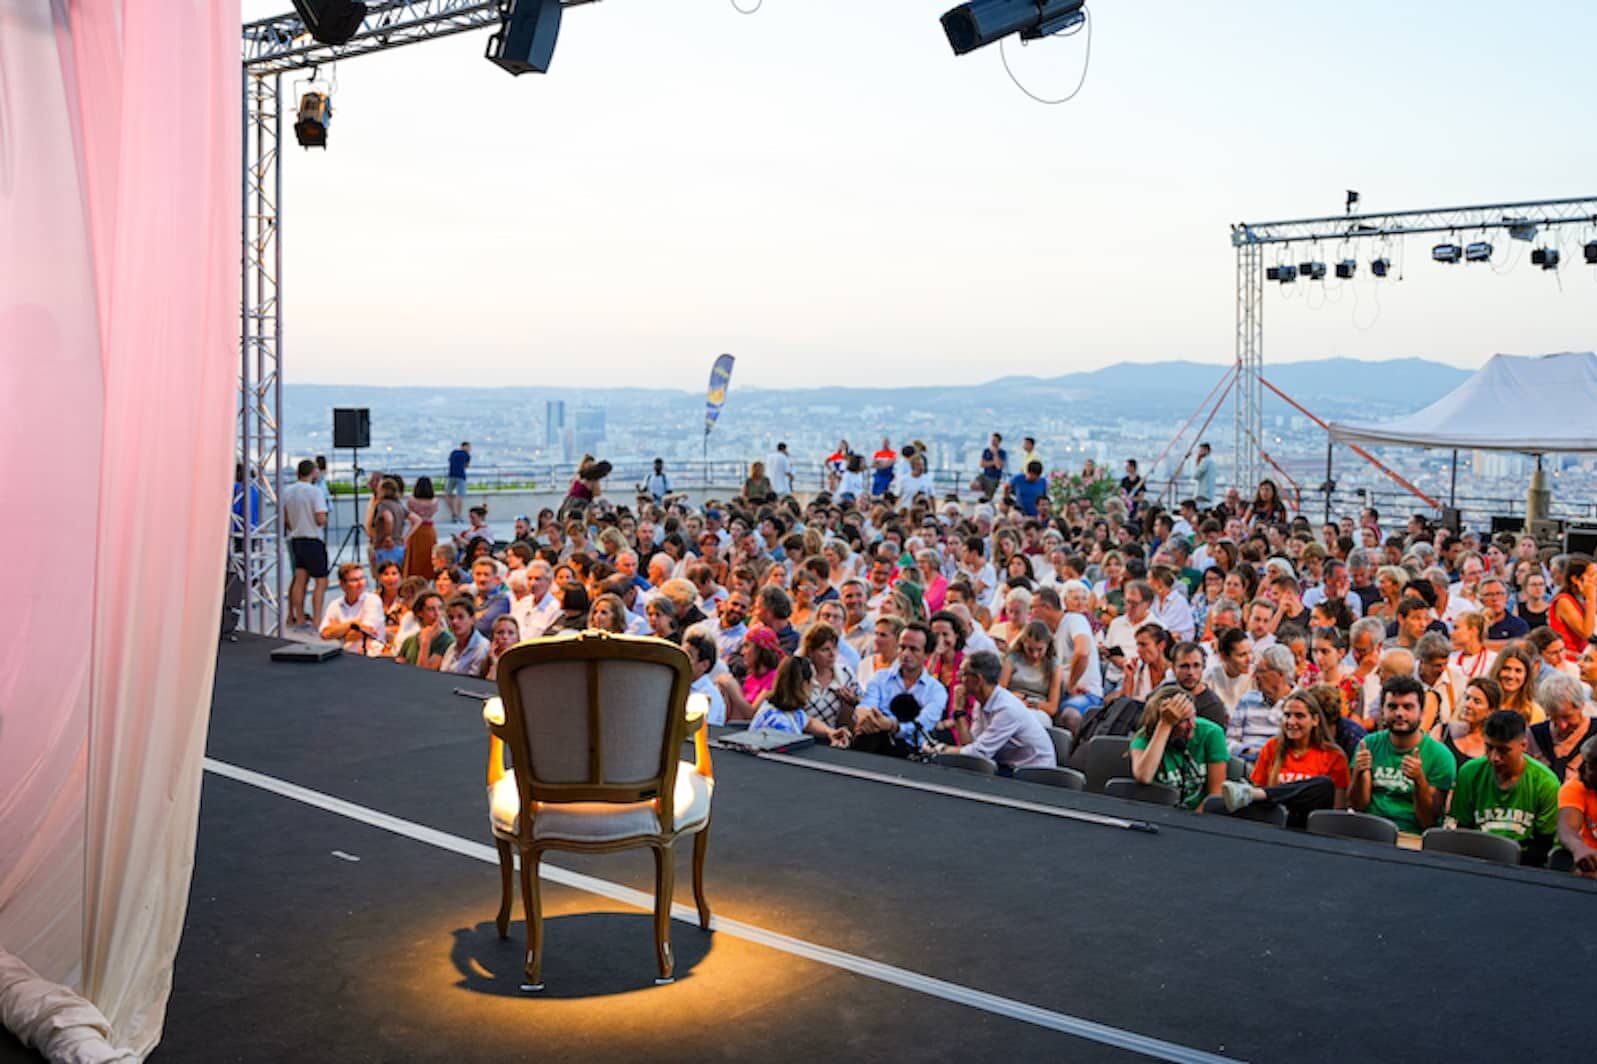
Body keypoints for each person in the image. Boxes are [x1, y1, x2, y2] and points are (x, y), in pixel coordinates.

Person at [1220, 688, 1348, 827]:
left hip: (1309, 826)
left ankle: (1258, 794)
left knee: (1324, 784)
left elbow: (1337, 809)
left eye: (1299, 716)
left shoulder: (1333, 755)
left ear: (1315, 720)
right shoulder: (1272, 747)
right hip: (1275, 821)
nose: (1291, 722)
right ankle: (1256, 794)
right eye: (1287, 715)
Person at [1451, 709, 1560, 865]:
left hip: (1525, 865)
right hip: (1475, 859)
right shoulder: (1469, 773)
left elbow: (1546, 844)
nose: (1494, 757)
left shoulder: (1546, 783)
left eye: (1503, 750)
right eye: (1489, 748)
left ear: (1523, 745)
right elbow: (1462, 829)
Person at [1349, 675, 1456, 833]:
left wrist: (1419, 780)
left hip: (1412, 836)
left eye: (1408, 707)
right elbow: (1358, 806)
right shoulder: (1368, 745)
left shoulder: (1440, 756)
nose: (1399, 713)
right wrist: (1359, 772)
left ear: (1421, 712)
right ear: (1382, 712)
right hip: (1369, 830)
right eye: (1392, 707)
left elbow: (1429, 821)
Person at [926, 651, 1055, 771]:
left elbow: (978, 754)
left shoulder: (1006, 709)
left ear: (978, 680)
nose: (959, 679)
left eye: (963, 674)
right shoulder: (981, 701)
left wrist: (940, 749)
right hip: (1009, 766)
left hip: (1033, 773)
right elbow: (970, 746)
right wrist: (959, 711)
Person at [853, 621, 947, 755]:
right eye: (902, 647)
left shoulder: (936, 691)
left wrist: (892, 726)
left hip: (912, 753)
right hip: (873, 742)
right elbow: (868, 704)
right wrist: (865, 715)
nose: (906, 654)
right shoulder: (880, 677)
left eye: (913, 649)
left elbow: (923, 725)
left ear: (927, 654)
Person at [1128, 687, 1229, 811]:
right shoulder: (1145, 737)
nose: (1193, 725)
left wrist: (1191, 821)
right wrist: (1165, 725)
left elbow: (1215, 794)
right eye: (1184, 721)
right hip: (1155, 812)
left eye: (1193, 716)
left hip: (1198, 816)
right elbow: (1144, 776)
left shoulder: (1211, 733)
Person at [748, 656, 851, 746]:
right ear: (802, 684)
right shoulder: (781, 725)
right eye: (812, 679)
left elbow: (809, 722)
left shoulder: (789, 710)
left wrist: (830, 732)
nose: (815, 684)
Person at [282, 458, 330, 630]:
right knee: (321, 581)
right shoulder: (314, 492)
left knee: (299, 578)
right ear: (313, 472)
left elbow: (285, 519)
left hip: (296, 539)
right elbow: (320, 518)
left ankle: (299, 618)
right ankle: (317, 620)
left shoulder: (288, 491)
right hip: (313, 539)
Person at [1227, 643, 1294, 764]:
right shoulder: (1247, 700)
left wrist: (1267, 754)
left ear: (1280, 674)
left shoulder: (1300, 703)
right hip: (1246, 764)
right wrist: (1247, 751)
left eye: (1261, 671)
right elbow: (1229, 742)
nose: (1254, 676)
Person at [1527, 672, 1596, 783]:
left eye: (1567, 717)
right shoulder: (1534, 736)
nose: (1562, 726)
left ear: (1581, 705)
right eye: (1553, 718)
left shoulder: (1595, 734)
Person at [799, 622, 861, 733]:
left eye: (835, 648)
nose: (832, 654)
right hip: (802, 737)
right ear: (810, 652)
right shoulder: (799, 673)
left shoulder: (846, 674)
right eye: (825, 649)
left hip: (836, 739)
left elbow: (862, 705)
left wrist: (852, 701)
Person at [998, 620, 1063, 721]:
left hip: (1038, 710)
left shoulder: (1054, 665)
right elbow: (1000, 691)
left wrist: (1028, 701)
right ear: (1023, 643)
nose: (1035, 655)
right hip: (1012, 704)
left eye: (1040, 650)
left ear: (1047, 645)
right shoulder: (1013, 659)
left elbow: (1052, 708)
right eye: (1030, 649)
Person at [320, 562, 385, 654]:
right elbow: (324, 634)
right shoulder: (334, 605)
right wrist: (351, 624)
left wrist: (338, 633)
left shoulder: (373, 600)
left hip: (371, 655)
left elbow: (365, 632)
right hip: (343, 655)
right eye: (354, 580)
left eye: (362, 578)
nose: (360, 583)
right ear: (342, 584)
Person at [1556, 737, 1597, 878]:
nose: (1581, 769)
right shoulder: (1575, 786)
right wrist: (1579, 849)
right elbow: (1566, 829)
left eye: (1590, 766)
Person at [1549, 553, 1597, 663]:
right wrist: (1591, 598)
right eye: (1593, 575)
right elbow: (1586, 632)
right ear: (1575, 579)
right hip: (1567, 662)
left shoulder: (1581, 600)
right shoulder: (1564, 601)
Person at [1443, 677, 1499, 768]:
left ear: (1490, 711)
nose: (1468, 704)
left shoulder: (1493, 746)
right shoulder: (1442, 731)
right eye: (1466, 698)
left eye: (1477, 702)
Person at [395, 591, 453, 670]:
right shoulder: (409, 640)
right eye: (431, 609)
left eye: (440, 608)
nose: (437, 613)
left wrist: (425, 643)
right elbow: (398, 669)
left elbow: (425, 674)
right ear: (420, 613)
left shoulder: (447, 641)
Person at [1203, 628, 1254, 718]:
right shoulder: (1208, 678)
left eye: (1250, 652)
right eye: (1242, 655)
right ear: (1223, 656)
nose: (1249, 659)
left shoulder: (1256, 676)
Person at [1487, 643, 1544, 724]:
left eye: (1518, 671)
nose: (1511, 676)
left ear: (1526, 676)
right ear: (1497, 671)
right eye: (1506, 668)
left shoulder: (1535, 712)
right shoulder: (1481, 704)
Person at [439, 594, 491, 676]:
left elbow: (473, 682)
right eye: (451, 617)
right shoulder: (451, 648)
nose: (455, 622)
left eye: (460, 617)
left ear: (473, 620)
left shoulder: (482, 647)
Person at [402, 476, 439, 580]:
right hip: (429, 530)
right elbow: (434, 512)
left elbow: (409, 514)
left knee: (414, 559)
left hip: (415, 530)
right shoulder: (434, 501)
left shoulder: (411, 500)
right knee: (429, 557)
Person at [484, 614, 520, 681]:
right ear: (493, 637)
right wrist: (495, 665)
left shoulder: (521, 666)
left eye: (511, 633)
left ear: (518, 639)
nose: (505, 637)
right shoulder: (485, 662)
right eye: (500, 632)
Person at [975, 433, 1007, 501]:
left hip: (994, 478)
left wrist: (995, 454)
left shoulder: (1002, 452)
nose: (992, 442)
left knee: (988, 498)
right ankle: (982, 495)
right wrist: (994, 462)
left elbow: (998, 467)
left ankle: (985, 501)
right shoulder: (986, 451)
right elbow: (982, 464)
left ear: (999, 442)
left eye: (994, 440)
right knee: (974, 485)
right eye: (992, 440)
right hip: (985, 475)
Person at [445, 441, 471, 522]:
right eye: (469, 447)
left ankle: (454, 514)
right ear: (465, 446)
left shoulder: (453, 452)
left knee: (448, 494)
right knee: (459, 496)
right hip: (461, 476)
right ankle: (459, 515)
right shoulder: (467, 455)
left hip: (451, 475)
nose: (470, 449)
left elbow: (450, 461)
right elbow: (466, 466)